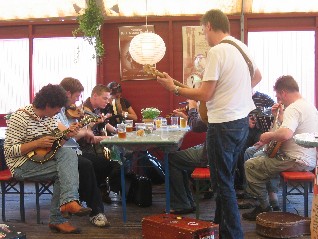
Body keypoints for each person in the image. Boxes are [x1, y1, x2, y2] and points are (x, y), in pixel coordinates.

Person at [157, 9, 262, 239]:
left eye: (203, 30)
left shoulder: (217, 51)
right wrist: (235, 92)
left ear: (208, 27)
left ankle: (234, 235)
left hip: (223, 125)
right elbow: (257, 77)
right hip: (241, 123)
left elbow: (204, 94)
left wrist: (173, 88)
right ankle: (221, 229)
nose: (204, 35)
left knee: (222, 185)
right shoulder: (241, 47)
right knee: (227, 181)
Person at [4, 84, 92, 234]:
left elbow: (56, 146)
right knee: (63, 171)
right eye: (57, 107)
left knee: (69, 153)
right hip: (21, 165)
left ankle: (68, 203)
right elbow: (9, 151)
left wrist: (67, 136)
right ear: (47, 105)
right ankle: (61, 215)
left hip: (41, 160)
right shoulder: (20, 117)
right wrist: (36, 143)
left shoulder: (50, 118)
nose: (59, 111)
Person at [242, 75, 318, 220]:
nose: (279, 100)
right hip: (309, 160)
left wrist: (268, 136)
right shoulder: (309, 107)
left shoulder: (294, 108)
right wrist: (280, 117)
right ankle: (273, 201)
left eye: (278, 96)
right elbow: (292, 129)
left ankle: (264, 208)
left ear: (283, 92)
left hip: (295, 160)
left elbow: (285, 134)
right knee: (262, 157)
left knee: (250, 165)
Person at [58, 78, 111, 227]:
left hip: (73, 149)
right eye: (76, 96)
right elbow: (69, 134)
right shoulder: (56, 110)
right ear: (67, 94)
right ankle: (96, 211)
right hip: (63, 152)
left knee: (106, 164)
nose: (78, 100)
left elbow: (74, 131)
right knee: (86, 165)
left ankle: (81, 196)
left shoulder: (65, 110)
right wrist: (85, 131)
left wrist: (86, 129)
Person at [167, 100, 209, 214]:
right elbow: (200, 125)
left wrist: (192, 107)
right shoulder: (229, 108)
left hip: (209, 154)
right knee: (176, 157)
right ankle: (187, 201)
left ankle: (182, 204)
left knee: (170, 159)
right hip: (208, 148)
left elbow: (196, 127)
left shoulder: (217, 107)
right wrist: (183, 116)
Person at [81, 84, 121, 199]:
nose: (108, 102)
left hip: (96, 145)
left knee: (121, 154)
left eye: (108, 98)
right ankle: (102, 189)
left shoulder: (95, 109)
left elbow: (103, 122)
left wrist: (116, 131)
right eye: (105, 98)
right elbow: (88, 138)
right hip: (86, 148)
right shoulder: (84, 111)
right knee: (116, 162)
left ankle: (107, 188)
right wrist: (109, 138)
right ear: (94, 96)